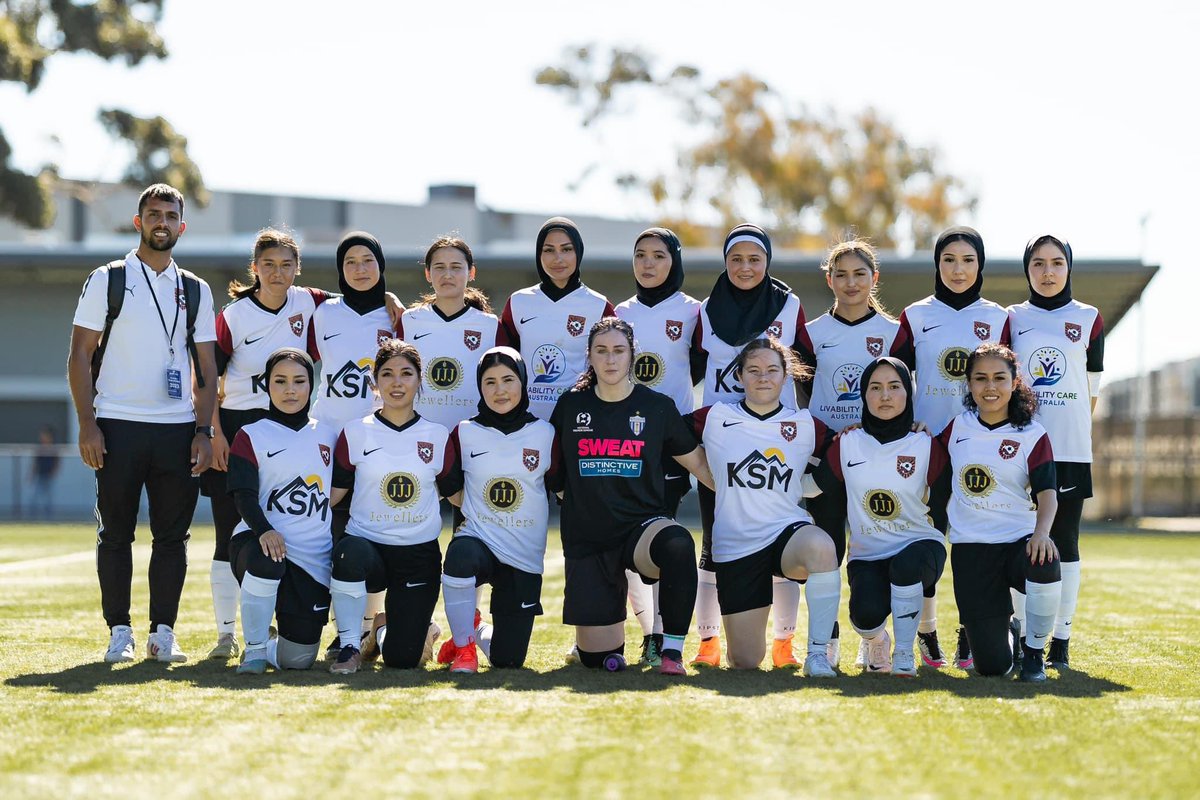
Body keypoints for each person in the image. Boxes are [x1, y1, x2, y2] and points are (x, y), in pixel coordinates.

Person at [68, 183, 218, 664]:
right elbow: (79, 354)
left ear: (182, 225)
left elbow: (208, 370)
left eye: (170, 215)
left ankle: (163, 633)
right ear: (138, 222)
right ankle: (119, 632)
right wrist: (88, 423)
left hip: (177, 429)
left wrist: (203, 430)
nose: (161, 222)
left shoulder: (195, 289)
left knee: (173, 537)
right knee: (116, 534)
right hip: (117, 424)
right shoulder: (107, 278)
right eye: (153, 214)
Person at [550, 317, 715, 675]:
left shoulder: (657, 407)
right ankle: (599, 640)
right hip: (588, 537)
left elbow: (700, 465)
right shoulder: (569, 408)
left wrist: (751, 497)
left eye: (619, 351)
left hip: (641, 529)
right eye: (602, 351)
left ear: (632, 356)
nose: (611, 360)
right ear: (590, 357)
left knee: (678, 544)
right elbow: (557, 478)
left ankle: (670, 650)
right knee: (599, 660)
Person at [202, 228, 332, 661]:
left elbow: (353, 302)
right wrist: (215, 432)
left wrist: (389, 301)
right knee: (231, 529)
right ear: (254, 269)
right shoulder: (235, 315)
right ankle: (227, 634)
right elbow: (208, 380)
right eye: (269, 265)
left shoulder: (309, 301)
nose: (278, 273)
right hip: (241, 426)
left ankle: (276, 620)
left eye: (286, 264)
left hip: (294, 424)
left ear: (298, 269)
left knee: (291, 518)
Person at [691, 223, 813, 669]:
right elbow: (690, 372)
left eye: (754, 259)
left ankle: (784, 640)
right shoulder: (704, 311)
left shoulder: (789, 305)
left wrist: (805, 431)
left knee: (779, 539)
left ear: (767, 262)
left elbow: (807, 368)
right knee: (713, 544)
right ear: (725, 262)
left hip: (777, 441)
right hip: (724, 440)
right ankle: (707, 641)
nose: (745, 267)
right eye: (736, 259)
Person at [890, 226, 1009, 670]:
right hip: (927, 449)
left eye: (968, 260)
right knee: (926, 543)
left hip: (981, 452)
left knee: (974, 547)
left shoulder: (998, 318)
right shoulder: (916, 315)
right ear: (937, 266)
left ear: (980, 266)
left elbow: (1010, 383)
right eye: (949, 260)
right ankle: (926, 633)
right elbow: (897, 378)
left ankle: (970, 631)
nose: (958, 270)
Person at [690, 338, 841, 677]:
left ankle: (818, 653)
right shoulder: (714, 417)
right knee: (746, 661)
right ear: (739, 376)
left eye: (772, 370)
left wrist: (807, 488)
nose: (763, 377)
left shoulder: (804, 424)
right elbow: (667, 435)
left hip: (785, 534)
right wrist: (704, 472)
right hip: (736, 547)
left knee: (821, 546)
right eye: (754, 371)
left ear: (785, 377)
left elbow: (848, 449)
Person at [799, 239, 908, 667]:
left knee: (874, 546)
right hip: (827, 453)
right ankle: (825, 640)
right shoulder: (811, 333)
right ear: (829, 279)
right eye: (840, 274)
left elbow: (901, 390)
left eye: (859, 273)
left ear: (874, 278)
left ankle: (874, 637)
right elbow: (804, 389)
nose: (850, 282)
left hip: (876, 453)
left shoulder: (894, 332)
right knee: (828, 549)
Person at [811, 357, 950, 676]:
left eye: (894, 386)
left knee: (906, 566)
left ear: (908, 393)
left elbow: (943, 506)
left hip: (920, 549)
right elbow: (813, 487)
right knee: (864, 618)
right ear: (863, 395)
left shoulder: (926, 444)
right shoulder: (846, 443)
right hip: (867, 555)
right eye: (875, 388)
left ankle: (904, 654)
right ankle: (876, 640)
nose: (885, 395)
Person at [326, 339, 454, 674]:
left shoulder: (438, 435)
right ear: (375, 381)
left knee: (402, 660)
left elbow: (458, 498)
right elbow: (332, 496)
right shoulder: (355, 432)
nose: (397, 382)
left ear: (419, 380)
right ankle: (350, 645)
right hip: (367, 545)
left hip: (417, 554)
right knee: (347, 552)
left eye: (406, 374)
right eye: (388, 374)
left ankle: (384, 630)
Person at [1007, 234, 1104, 670]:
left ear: (1069, 268)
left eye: (1057, 263)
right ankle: (1027, 634)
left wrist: (1075, 433)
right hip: (1020, 448)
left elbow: (1093, 390)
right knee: (1021, 541)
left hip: (1070, 450)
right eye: (1038, 264)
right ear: (1027, 269)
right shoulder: (1012, 319)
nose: (1048, 272)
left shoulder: (1088, 318)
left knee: (1064, 541)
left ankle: (1061, 639)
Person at [936, 343, 1061, 681]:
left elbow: (1047, 493)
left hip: (1018, 540)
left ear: (1014, 381)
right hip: (971, 547)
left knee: (1046, 559)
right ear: (969, 384)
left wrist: (1041, 533)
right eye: (980, 379)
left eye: (998, 378)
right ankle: (1007, 633)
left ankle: (1034, 653)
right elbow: (925, 465)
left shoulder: (1032, 434)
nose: (990, 387)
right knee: (992, 668)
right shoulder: (956, 429)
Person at [435, 346, 557, 673]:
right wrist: (478, 510)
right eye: (489, 382)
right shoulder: (464, 432)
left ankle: (473, 630)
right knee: (459, 556)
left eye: (508, 379)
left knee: (508, 661)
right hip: (480, 540)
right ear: (479, 387)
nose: (499, 390)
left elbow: (560, 487)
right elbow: (449, 486)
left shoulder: (545, 434)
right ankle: (463, 650)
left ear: (523, 382)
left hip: (523, 555)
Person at [310, 231, 402, 657]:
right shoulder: (322, 312)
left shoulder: (398, 317)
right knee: (332, 535)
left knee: (379, 528)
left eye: (368, 260)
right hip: (329, 439)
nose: (360, 269)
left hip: (381, 439)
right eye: (350, 262)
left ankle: (373, 623)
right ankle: (347, 627)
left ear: (381, 265)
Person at [614, 227, 701, 666]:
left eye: (658, 256)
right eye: (640, 255)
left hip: (670, 442)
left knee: (664, 535)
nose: (648, 264)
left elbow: (703, 364)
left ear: (675, 261)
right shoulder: (619, 312)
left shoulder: (693, 312)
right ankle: (649, 633)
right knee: (628, 534)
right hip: (623, 440)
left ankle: (668, 635)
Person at [225, 348, 337, 674]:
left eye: (299, 381)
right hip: (258, 541)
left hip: (312, 558)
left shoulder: (329, 435)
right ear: (266, 385)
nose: (290, 389)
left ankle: (272, 643)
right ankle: (256, 650)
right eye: (281, 381)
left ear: (311, 385)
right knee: (268, 558)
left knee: (297, 661)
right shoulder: (251, 434)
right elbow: (244, 496)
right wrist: (265, 530)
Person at [500, 217, 615, 421]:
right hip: (527, 421)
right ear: (538, 253)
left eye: (566, 249)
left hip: (581, 420)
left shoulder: (599, 306)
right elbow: (503, 364)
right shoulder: (518, 302)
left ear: (578, 252)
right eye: (549, 250)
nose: (558, 258)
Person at [397, 235, 506, 430]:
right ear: (428, 274)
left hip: (474, 435)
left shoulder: (490, 326)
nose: (447, 274)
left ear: (471, 272)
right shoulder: (408, 321)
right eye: (439, 267)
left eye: (456, 267)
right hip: (418, 436)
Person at [29, 426, 61, 519]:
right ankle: (32, 515)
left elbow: (57, 462)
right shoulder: (39, 449)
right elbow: (35, 463)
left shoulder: (54, 448)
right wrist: (31, 474)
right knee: (35, 495)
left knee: (48, 497)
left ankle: (49, 516)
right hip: (39, 474)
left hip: (48, 475)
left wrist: (54, 472)